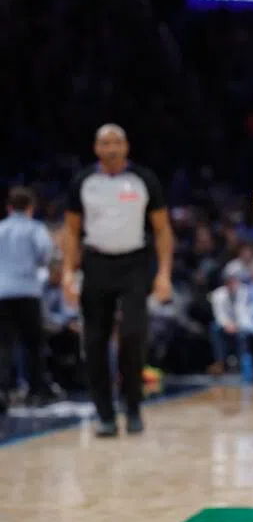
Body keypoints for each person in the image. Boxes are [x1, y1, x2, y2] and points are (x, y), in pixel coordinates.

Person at [60, 124, 173, 437]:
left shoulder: (144, 180)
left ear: (126, 146)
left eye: (116, 142)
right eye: (105, 143)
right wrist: (69, 271)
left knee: (133, 334)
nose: (111, 148)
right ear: (96, 148)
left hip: (134, 263)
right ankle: (105, 415)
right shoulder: (83, 181)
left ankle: (133, 407)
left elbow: (162, 229)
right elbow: (70, 230)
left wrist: (163, 273)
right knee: (94, 342)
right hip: (95, 263)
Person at [0, 186, 57, 413]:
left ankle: (2, 392)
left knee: (2, 345)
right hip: (27, 291)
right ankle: (37, 392)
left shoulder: (0, 228)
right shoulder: (35, 229)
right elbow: (47, 253)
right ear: (31, 208)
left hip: (2, 293)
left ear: (9, 207)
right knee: (33, 344)